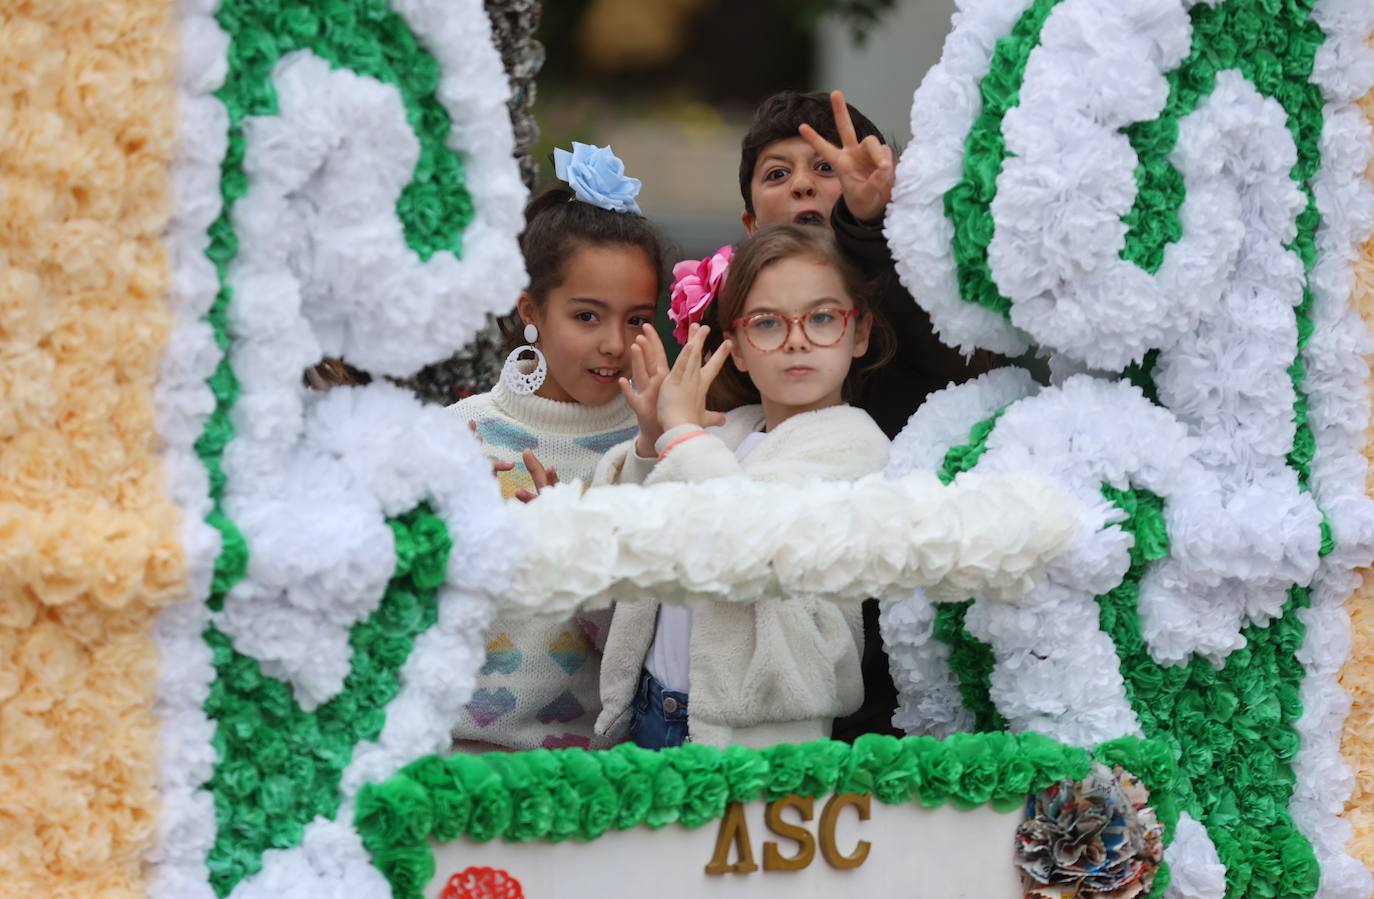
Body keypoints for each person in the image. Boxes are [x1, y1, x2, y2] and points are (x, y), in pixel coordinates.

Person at [594, 224, 891, 749]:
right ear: (737, 350)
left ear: (859, 333)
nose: (797, 337)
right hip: (652, 705)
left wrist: (682, 434)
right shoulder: (730, 431)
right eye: (768, 323)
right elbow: (634, 537)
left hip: (754, 732)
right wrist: (650, 442)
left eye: (823, 317)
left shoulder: (856, 446)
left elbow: (749, 537)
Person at [449, 143, 670, 750]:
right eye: (587, 316)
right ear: (531, 312)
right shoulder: (459, 439)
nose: (613, 344)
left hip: (597, 786)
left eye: (636, 320)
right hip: (459, 766)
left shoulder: (658, 446)